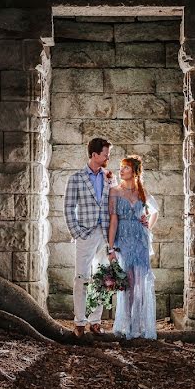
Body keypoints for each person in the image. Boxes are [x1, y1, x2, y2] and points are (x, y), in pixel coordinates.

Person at [64, 137, 116, 337]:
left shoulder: (110, 177)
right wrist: (77, 233)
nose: (107, 158)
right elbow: (68, 208)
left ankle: (95, 321)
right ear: (94, 155)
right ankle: (79, 322)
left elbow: (114, 205)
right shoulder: (76, 178)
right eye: (105, 154)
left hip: (105, 236)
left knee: (102, 279)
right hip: (85, 235)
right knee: (81, 278)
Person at [107, 155, 159, 340]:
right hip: (124, 241)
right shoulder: (115, 191)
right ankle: (127, 323)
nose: (121, 171)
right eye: (121, 167)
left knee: (140, 284)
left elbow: (155, 211)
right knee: (127, 283)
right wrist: (110, 248)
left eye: (126, 168)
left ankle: (139, 325)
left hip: (141, 241)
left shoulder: (142, 192)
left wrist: (148, 225)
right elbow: (113, 221)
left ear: (135, 172)